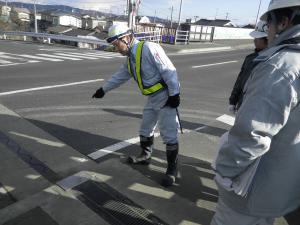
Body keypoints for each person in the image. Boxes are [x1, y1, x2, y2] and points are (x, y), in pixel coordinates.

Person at [211, 0, 300, 224]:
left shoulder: (281, 65)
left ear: (283, 22)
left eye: (268, 23)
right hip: (282, 184)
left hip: (250, 191)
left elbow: (252, 135)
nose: (267, 31)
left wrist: (223, 172)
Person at [92, 24, 181, 186]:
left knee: (169, 133)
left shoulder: (149, 48)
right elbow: (120, 76)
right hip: (151, 98)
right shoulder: (130, 59)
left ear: (125, 38)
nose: (116, 49)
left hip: (165, 97)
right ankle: (145, 156)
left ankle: (172, 170)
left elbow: (169, 70)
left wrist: (175, 94)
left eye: (116, 44)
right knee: (145, 128)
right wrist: (103, 89)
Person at [229, 21, 268, 114]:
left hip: (260, 109)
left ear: (268, 39)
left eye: (257, 38)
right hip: (244, 104)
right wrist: (233, 101)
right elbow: (240, 80)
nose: (254, 40)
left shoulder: (275, 60)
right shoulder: (250, 58)